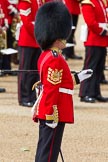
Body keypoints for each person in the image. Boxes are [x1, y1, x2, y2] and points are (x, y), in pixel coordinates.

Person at [32, 2, 93, 162]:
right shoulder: (55, 58)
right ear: (57, 36)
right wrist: (52, 116)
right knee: (49, 154)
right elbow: (52, 89)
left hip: (49, 108)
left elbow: (59, 83)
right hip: (54, 110)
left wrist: (79, 77)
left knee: (45, 149)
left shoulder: (46, 55)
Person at [79, 0, 108, 103]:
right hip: (93, 39)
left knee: (98, 69)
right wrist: (103, 31)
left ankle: (95, 93)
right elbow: (90, 22)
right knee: (90, 68)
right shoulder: (88, 2)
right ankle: (85, 93)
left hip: (102, 40)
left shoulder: (100, 2)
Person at [17, 0, 41, 107]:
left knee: (35, 71)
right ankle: (24, 97)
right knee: (25, 71)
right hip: (27, 40)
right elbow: (26, 21)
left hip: (37, 41)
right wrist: (39, 34)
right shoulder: (26, 1)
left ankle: (32, 96)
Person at [0, 0, 19, 76]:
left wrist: (5, 25)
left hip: (6, 26)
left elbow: (12, 10)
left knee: (7, 48)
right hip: (3, 26)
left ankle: (6, 68)